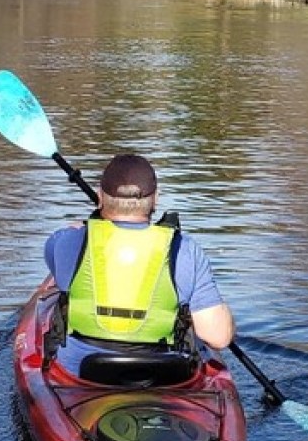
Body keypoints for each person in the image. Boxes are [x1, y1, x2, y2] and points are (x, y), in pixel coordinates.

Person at [40, 153, 235, 378]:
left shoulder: (65, 242)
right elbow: (218, 337)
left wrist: (82, 228)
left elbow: (60, 274)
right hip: (165, 375)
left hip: (82, 374)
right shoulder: (186, 249)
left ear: (101, 196)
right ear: (156, 199)